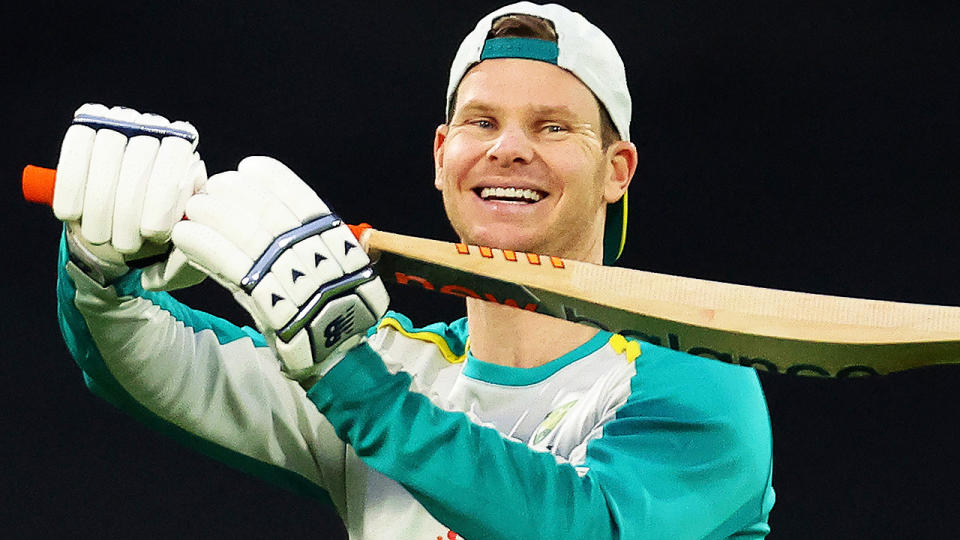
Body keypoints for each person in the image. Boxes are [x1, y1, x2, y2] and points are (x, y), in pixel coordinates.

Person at [52, 2, 774, 538]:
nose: (509, 150)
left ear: (616, 171)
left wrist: (348, 384)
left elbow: (590, 529)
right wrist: (99, 264)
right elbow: (144, 360)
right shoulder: (383, 365)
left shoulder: (692, 371)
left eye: (553, 127)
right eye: (482, 122)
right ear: (441, 156)